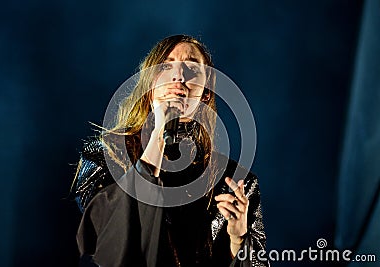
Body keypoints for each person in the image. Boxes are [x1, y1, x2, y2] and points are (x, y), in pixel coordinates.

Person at [72, 34, 269, 267]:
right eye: (166, 65)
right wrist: (158, 133)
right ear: (150, 84)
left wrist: (238, 238)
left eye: (192, 68)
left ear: (205, 93)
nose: (178, 75)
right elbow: (104, 241)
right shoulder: (104, 154)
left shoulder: (234, 180)